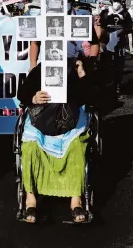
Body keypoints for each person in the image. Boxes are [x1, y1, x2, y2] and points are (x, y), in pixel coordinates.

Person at [17, 55, 94, 223]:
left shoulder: (75, 68)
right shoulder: (39, 70)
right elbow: (22, 94)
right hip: (42, 120)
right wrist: (33, 98)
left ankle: (76, 201)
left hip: (70, 121)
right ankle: (30, 200)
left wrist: (81, 72)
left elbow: (90, 97)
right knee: (29, 147)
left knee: (77, 147)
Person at [100, 0, 133, 100]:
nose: (116, 3)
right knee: (106, 65)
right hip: (107, 43)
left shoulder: (125, 13)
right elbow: (101, 25)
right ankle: (105, 88)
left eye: (118, 1)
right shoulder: (105, 12)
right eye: (114, 1)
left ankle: (117, 87)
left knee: (119, 65)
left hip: (120, 43)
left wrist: (121, 31)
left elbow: (130, 27)